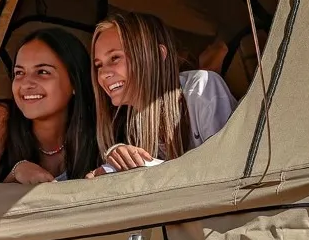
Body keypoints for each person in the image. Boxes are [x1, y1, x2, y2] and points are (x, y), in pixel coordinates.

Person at [87, 10, 237, 177]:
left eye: (115, 58)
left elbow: (226, 168)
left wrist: (140, 163)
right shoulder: (131, 124)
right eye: (99, 65)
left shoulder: (202, 87)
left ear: (157, 55)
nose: (103, 74)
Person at [0, 27, 99, 185]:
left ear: (74, 82)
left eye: (42, 72)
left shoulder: (97, 127)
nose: (26, 84)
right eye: (19, 73)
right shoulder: (1, 119)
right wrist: (16, 173)